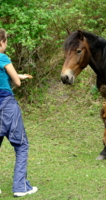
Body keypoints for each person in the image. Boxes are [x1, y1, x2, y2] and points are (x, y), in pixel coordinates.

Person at [0, 28, 38, 197]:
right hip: (6, 106)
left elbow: (6, 77)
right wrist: (18, 78)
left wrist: (18, 75)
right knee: (21, 145)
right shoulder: (2, 57)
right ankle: (20, 187)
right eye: (6, 41)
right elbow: (16, 83)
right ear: (1, 42)